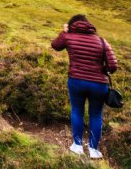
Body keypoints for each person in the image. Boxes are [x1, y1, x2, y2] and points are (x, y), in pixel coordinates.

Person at [52, 14, 118, 160]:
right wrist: (102, 71)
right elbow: (113, 66)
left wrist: (64, 32)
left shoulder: (69, 36)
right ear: (89, 25)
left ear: (72, 25)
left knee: (77, 110)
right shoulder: (101, 40)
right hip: (99, 84)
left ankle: (77, 145)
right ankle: (94, 149)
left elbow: (55, 46)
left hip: (76, 81)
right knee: (95, 114)